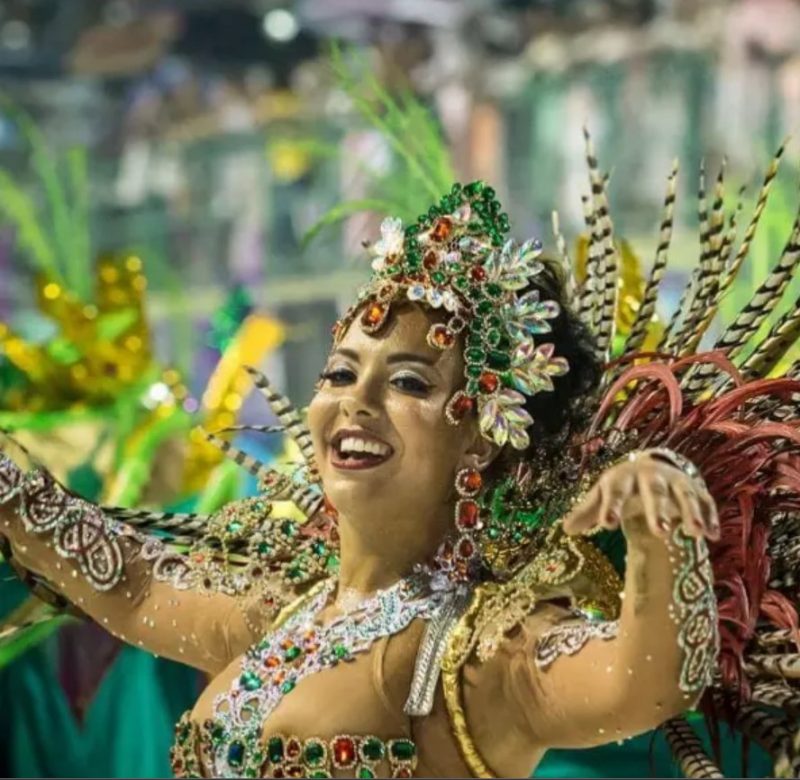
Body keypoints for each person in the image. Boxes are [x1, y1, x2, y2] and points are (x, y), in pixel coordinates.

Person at [1, 153, 799, 779]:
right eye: (340, 373)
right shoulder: (280, 616)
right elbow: (131, 582)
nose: (355, 402)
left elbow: (648, 679)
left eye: (409, 382)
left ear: (483, 439)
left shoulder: (483, 655)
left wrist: (662, 519)